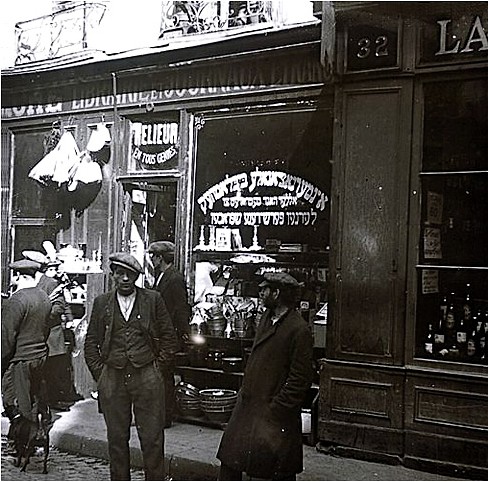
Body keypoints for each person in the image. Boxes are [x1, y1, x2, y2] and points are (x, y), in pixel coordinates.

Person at [84, 252, 178, 481]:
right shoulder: (102, 302)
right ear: (113, 275)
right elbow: (90, 343)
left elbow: (169, 339)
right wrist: (102, 374)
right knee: (116, 438)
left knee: (152, 439)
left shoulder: (152, 299)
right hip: (113, 377)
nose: (125, 279)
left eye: (130, 275)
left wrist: (156, 370)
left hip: (146, 375)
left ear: (137, 277)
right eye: (120, 274)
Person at [217, 272, 314, 481]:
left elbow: (300, 379)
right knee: (230, 462)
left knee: (277, 472)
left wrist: (276, 409)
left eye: (265, 290)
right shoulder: (266, 319)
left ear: (277, 293)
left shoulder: (298, 329)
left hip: (273, 416)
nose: (260, 293)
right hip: (249, 408)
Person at [1, 259, 51, 428]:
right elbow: (46, 328)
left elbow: (7, 337)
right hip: (39, 356)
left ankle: (24, 445)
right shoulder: (43, 296)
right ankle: (35, 438)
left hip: (20, 359)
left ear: (17, 275)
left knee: (18, 403)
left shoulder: (17, 300)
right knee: (33, 399)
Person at [148, 240, 192, 427]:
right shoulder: (162, 276)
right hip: (162, 333)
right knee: (162, 375)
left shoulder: (174, 278)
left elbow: (181, 308)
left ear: (160, 257)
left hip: (169, 334)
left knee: (165, 376)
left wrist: (185, 332)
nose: (151, 259)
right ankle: (161, 414)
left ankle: (165, 417)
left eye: (153, 256)